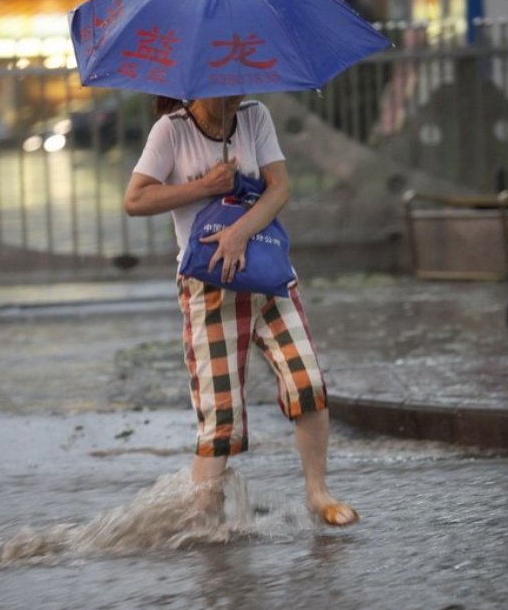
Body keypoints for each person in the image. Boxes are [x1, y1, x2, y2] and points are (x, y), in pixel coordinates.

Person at [124, 95, 358, 526]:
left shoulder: (254, 117)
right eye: (224, 89)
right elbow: (135, 199)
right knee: (221, 419)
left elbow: (280, 187)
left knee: (307, 382)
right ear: (197, 86)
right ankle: (204, 521)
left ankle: (318, 494)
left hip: (267, 279)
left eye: (240, 85)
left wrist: (238, 232)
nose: (234, 97)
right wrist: (204, 187)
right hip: (209, 288)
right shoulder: (171, 130)